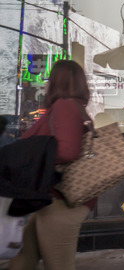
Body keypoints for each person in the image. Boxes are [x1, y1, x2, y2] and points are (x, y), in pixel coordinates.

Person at [9, 60, 95, 270]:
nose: (46, 83)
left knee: (58, 264)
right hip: (50, 200)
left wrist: (29, 156)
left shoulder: (64, 106)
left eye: (50, 78)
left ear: (58, 81)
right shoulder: (73, 107)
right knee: (22, 259)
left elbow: (67, 151)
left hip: (60, 202)